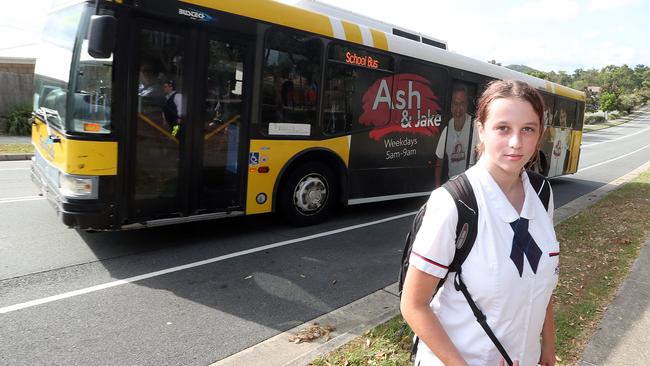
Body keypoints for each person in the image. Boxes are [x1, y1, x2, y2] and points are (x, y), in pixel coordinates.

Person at [401, 80, 558, 366]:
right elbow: (414, 305)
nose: (516, 142)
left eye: (528, 129)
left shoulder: (541, 193)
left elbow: (539, 277)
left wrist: (547, 344)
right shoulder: (453, 203)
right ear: (481, 130)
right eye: (503, 128)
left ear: (539, 134)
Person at [435, 85, 479, 185]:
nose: (458, 109)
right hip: (454, 184)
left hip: (471, 184)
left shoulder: (475, 127)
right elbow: (439, 159)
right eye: (455, 104)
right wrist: (437, 187)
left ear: (467, 105)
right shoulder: (447, 129)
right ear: (451, 106)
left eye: (462, 104)